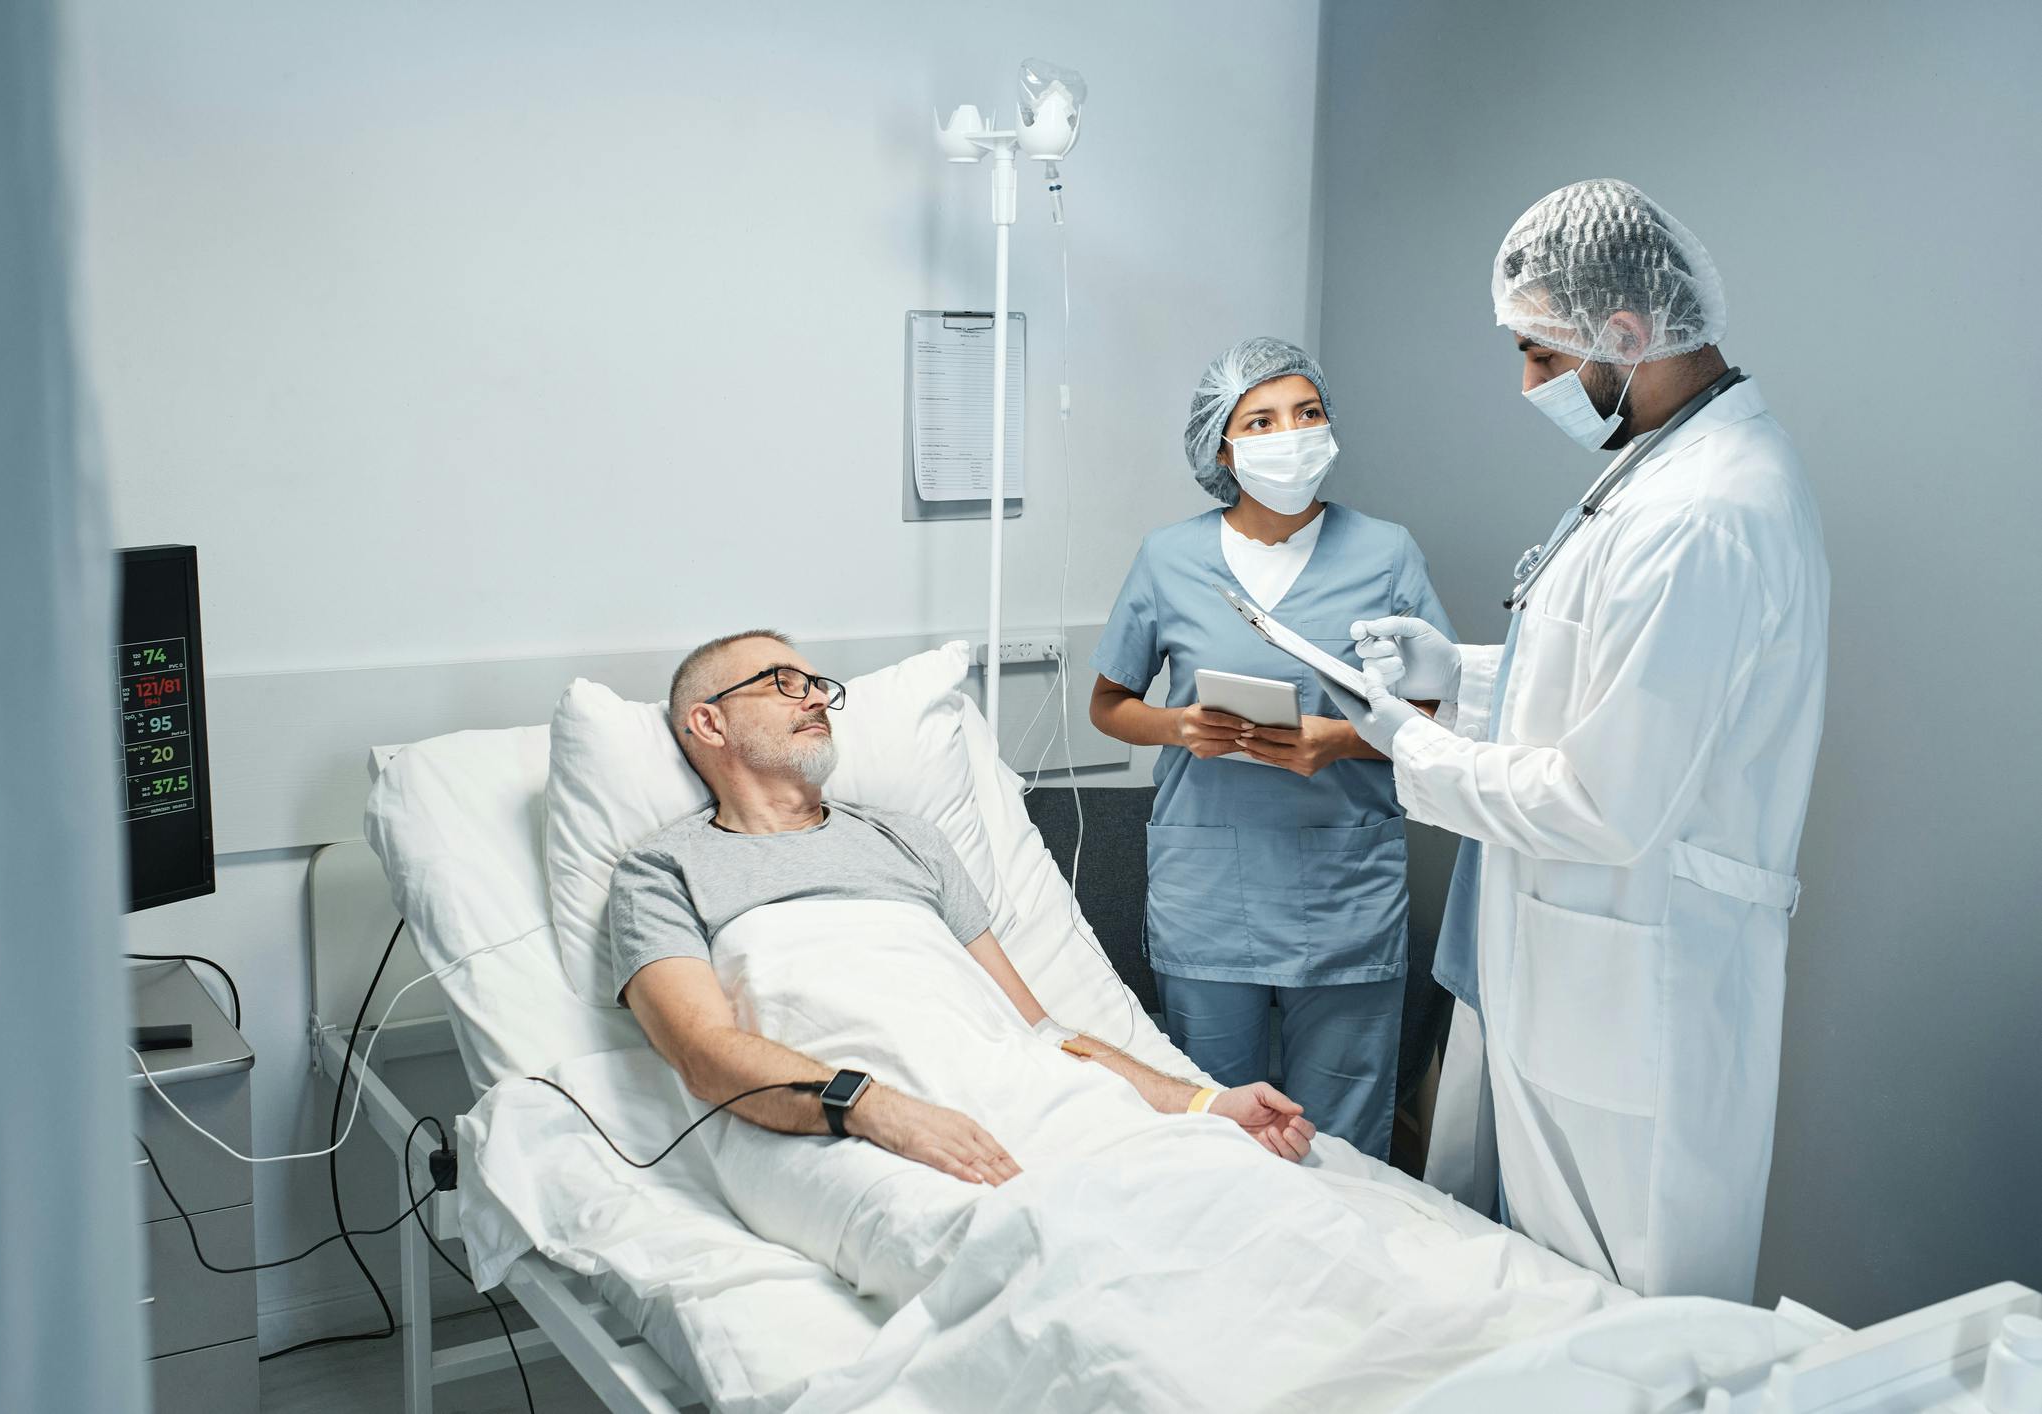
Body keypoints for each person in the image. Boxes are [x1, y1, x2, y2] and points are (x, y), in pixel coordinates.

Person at [1336, 179, 1830, 1301]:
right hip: (1575, 957)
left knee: (1628, 1319)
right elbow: (1621, 686)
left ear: (1626, 332)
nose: (1529, 385)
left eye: (1540, 356)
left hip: (1640, 981)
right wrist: (1455, 675)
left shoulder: (1709, 509)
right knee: (1533, 1296)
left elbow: (1607, 798)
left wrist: (1414, 753)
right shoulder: (1664, 463)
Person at [611, 628, 1316, 1192]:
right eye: (783, 685)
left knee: (1229, 1195)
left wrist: (1200, 1104)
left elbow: (1040, 1029)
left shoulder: (907, 839)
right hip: (855, 1126)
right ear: (708, 722)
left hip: (1018, 1094)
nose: (817, 699)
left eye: (819, 686)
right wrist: (876, 1107)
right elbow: (703, 1054)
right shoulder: (664, 869)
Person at [1086, 337, 1452, 1160]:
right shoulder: (1168, 558)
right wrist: (1179, 726)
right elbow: (1109, 706)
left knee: (1345, 1134)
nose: (1291, 433)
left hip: (1342, 885)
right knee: (1218, 1123)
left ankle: (1349, 1277)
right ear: (1223, 443)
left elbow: (1435, 714)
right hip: (1211, 881)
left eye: (1307, 412)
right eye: (1261, 419)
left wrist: (1341, 740)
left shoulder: (1385, 551)